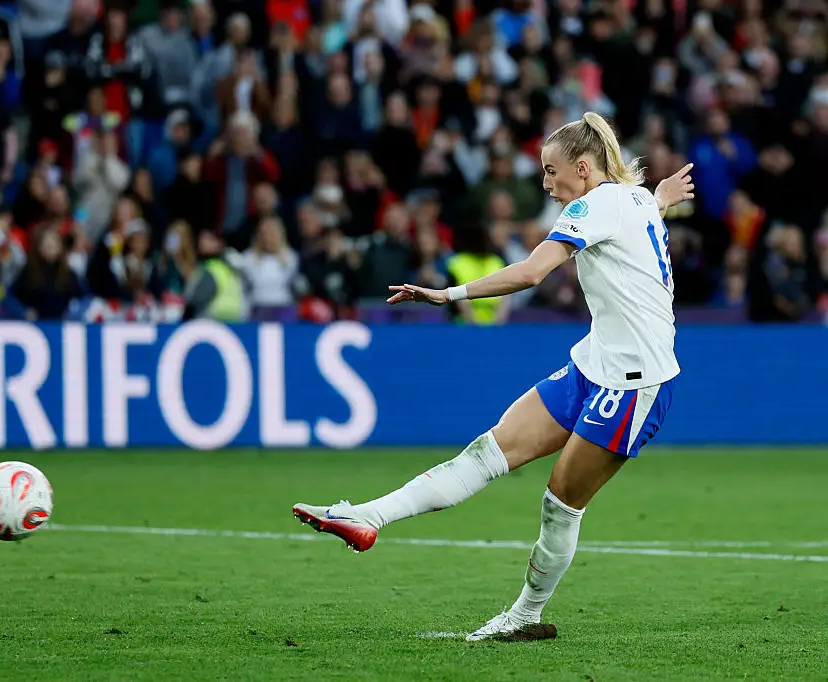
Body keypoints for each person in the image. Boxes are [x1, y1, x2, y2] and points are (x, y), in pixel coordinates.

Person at [291, 112, 696, 642]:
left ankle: (526, 614)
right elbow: (651, 202)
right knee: (485, 452)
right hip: (593, 363)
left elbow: (530, 272)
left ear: (583, 167)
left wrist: (449, 294)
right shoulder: (634, 197)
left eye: (552, 173)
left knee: (559, 503)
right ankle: (367, 517)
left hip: (636, 384)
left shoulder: (595, 203)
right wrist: (664, 193)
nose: (546, 185)